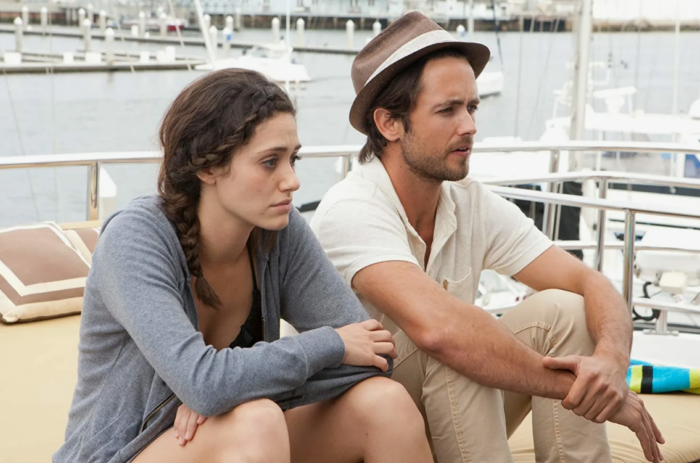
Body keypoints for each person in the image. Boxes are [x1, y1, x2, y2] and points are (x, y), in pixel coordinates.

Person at [310, 12, 665, 463]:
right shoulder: (352, 209)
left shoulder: (468, 202)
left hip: (442, 412)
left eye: (472, 108)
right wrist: (580, 389)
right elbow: (441, 332)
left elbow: (588, 282)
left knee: (565, 311)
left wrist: (611, 364)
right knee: (459, 345)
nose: (469, 126)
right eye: (448, 110)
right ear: (389, 124)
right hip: (361, 430)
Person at [54, 69, 433, 463]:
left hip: (235, 436)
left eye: (292, 159)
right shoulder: (135, 239)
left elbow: (374, 354)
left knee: (384, 403)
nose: (292, 181)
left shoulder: (278, 231)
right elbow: (205, 384)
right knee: (256, 420)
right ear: (207, 167)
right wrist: (326, 346)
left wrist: (227, 390)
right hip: (120, 453)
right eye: (270, 162)